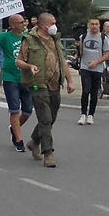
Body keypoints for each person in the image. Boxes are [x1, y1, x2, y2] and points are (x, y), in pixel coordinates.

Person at [16, 12, 75, 168]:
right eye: (52, 23)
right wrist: (29, 66)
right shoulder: (29, 40)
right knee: (45, 118)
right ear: (43, 25)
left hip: (55, 84)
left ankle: (35, 141)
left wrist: (70, 81)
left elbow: (62, 62)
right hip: (37, 84)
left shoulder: (55, 40)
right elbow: (19, 61)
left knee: (52, 116)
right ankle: (48, 153)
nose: (55, 25)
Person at [0, 11, 33, 152]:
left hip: (26, 78)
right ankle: (19, 139)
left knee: (27, 111)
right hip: (10, 77)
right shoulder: (6, 37)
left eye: (24, 21)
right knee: (14, 110)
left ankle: (14, 128)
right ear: (13, 25)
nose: (24, 24)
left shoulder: (28, 37)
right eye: (21, 22)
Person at [77, 18, 109, 126]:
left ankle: (91, 114)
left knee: (94, 92)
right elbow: (80, 53)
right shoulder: (83, 37)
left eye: (96, 24)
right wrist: (78, 49)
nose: (94, 26)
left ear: (99, 25)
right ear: (88, 25)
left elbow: (107, 54)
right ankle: (83, 114)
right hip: (85, 67)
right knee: (85, 90)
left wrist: (96, 62)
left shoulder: (103, 38)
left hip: (97, 68)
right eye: (92, 24)